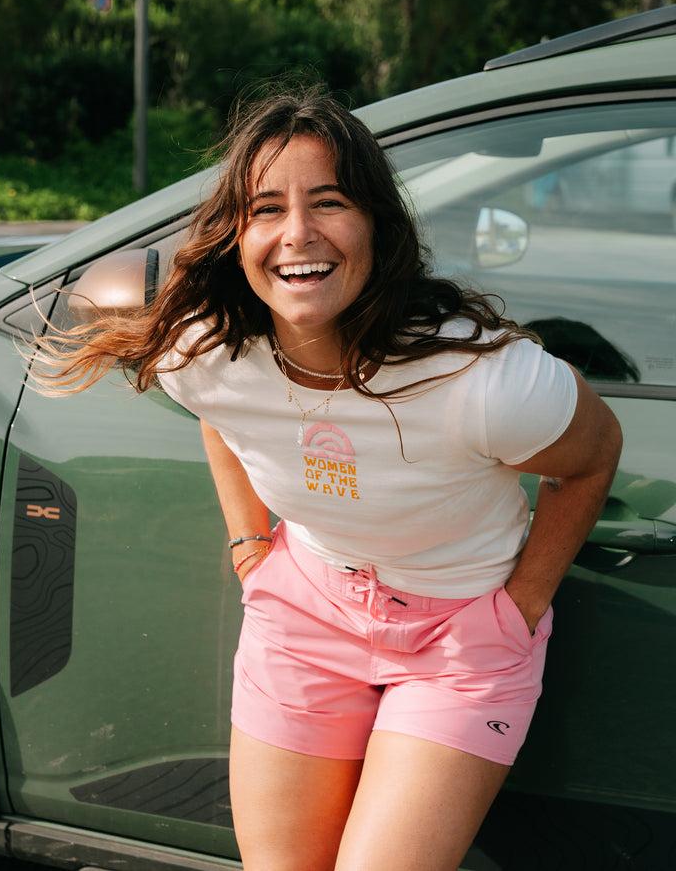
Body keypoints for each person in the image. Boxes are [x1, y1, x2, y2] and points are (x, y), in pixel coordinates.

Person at [33, 86, 622, 871]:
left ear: (376, 224)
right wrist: (251, 545)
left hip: (461, 636)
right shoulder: (203, 353)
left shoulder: (480, 379)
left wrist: (520, 607)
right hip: (307, 614)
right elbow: (221, 413)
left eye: (330, 201)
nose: (297, 235)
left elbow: (593, 453)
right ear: (236, 236)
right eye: (267, 208)